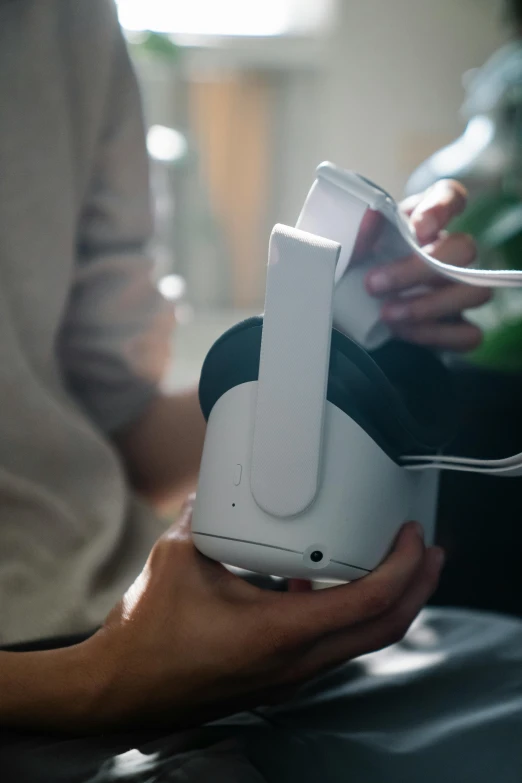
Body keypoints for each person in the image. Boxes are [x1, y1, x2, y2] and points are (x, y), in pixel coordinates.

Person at [0, 1, 508, 781]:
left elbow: (120, 434)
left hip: (143, 615)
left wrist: (339, 347)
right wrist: (90, 684)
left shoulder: (68, 23)